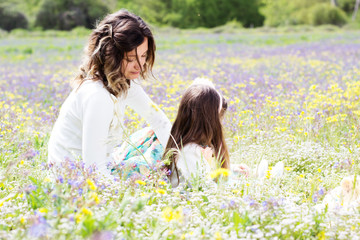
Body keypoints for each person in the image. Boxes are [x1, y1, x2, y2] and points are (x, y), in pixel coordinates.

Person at [48, 9, 171, 177]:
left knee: (156, 136)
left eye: (143, 55)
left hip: (101, 165)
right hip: (74, 181)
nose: (140, 65)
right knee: (159, 171)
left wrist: (187, 160)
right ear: (111, 55)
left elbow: (160, 121)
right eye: (130, 59)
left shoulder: (122, 82)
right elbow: (94, 170)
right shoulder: (97, 96)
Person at [163, 79, 231, 187]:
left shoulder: (191, 147)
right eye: (217, 117)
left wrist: (231, 172)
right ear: (209, 120)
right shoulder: (189, 151)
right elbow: (207, 190)